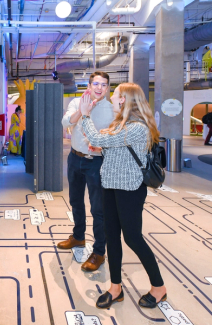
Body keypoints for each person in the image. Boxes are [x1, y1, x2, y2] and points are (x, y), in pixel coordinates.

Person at [80, 82, 167, 309]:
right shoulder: (121, 123)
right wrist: (101, 146)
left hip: (130, 189)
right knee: (111, 236)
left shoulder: (138, 127)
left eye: (115, 95)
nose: (111, 98)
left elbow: (98, 139)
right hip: (110, 185)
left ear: (124, 100)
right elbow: (106, 144)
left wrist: (85, 115)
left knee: (133, 238)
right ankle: (115, 287)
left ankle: (159, 287)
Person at [59, 72, 114, 272]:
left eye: (104, 85)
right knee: (75, 201)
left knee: (98, 209)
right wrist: (82, 111)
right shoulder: (76, 102)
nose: (99, 88)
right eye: (96, 84)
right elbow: (66, 123)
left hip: (96, 163)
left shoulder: (111, 109)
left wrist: (102, 147)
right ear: (89, 85)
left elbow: (114, 137)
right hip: (74, 158)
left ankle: (99, 252)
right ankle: (78, 237)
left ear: (107, 88)